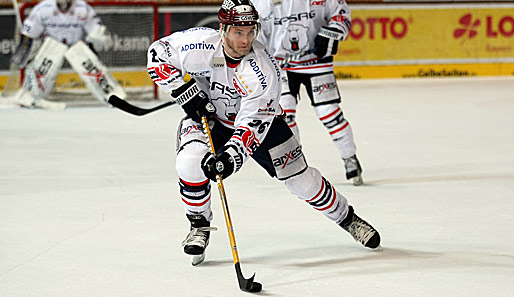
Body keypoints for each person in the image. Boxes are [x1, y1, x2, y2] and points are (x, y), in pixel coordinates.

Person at [147, 0, 380, 262]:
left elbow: (252, 125)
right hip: (209, 120)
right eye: (238, 32)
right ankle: (199, 226)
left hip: (263, 127)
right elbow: (158, 53)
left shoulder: (262, 71)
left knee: (302, 181)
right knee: (189, 162)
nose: (245, 39)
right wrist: (184, 91)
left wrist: (229, 159)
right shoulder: (198, 45)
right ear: (223, 28)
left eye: (250, 31)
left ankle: (346, 217)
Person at [254, 0, 364, 186]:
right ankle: (294, 166)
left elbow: (341, 14)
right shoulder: (260, 2)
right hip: (280, 66)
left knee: (329, 114)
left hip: (317, 63)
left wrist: (331, 33)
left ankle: (350, 158)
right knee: (284, 115)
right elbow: (255, 37)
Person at [10, 0, 114, 108]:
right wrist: (22, 53)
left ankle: (111, 94)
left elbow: (98, 32)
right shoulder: (43, 8)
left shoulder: (83, 8)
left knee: (91, 68)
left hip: (78, 49)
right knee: (43, 69)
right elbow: (28, 34)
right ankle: (30, 96)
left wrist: (99, 38)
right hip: (52, 48)